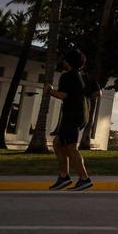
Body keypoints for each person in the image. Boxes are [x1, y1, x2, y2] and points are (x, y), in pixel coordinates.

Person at [44, 48, 94, 191]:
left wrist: (49, 90)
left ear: (69, 62)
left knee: (71, 147)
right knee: (58, 143)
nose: (64, 62)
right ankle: (64, 176)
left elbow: (63, 95)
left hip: (72, 116)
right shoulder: (78, 76)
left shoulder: (67, 76)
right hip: (80, 115)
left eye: (65, 60)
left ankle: (84, 178)